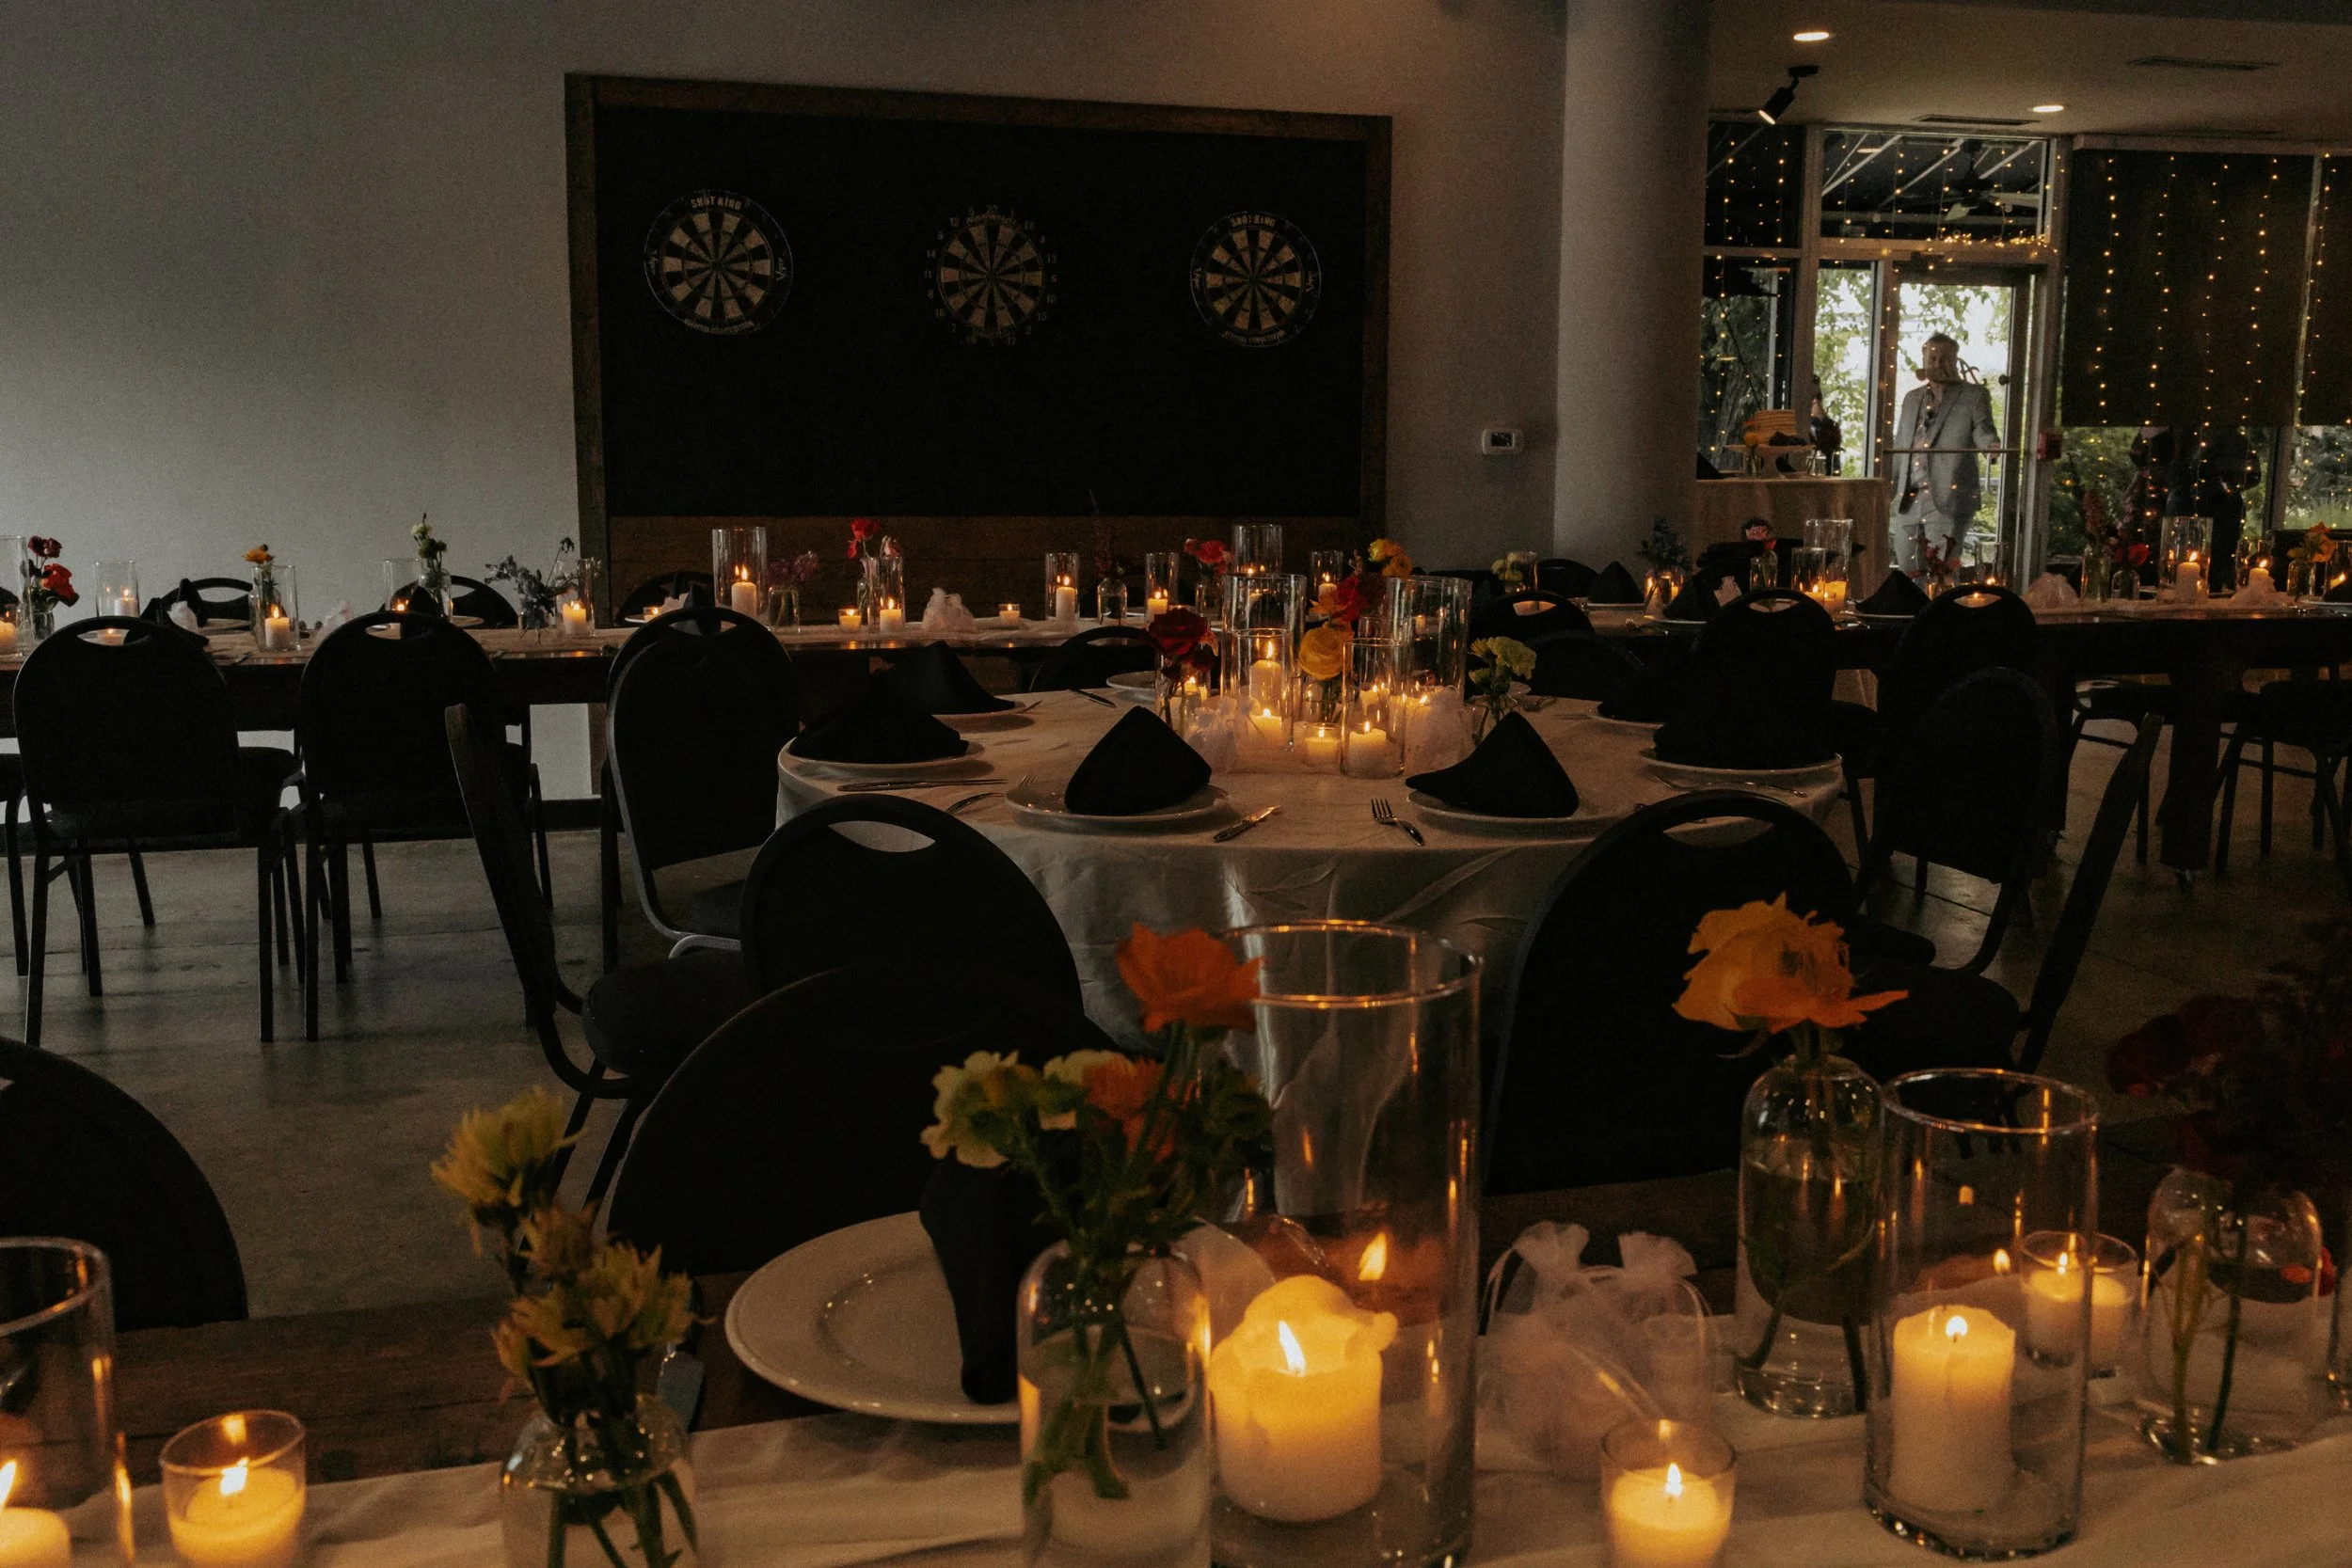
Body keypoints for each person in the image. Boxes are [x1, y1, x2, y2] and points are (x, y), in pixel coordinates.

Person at [1889, 334, 1999, 574]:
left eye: (1944, 358)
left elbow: (1983, 429)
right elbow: (1900, 446)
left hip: (1948, 497)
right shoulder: (1911, 399)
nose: (1938, 364)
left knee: (1942, 572)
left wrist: (1991, 447)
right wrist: (1887, 487)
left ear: (1955, 360)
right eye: (1932, 358)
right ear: (1924, 360)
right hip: (1909, 498)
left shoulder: (1973, 395)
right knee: (1907, 571)